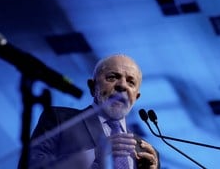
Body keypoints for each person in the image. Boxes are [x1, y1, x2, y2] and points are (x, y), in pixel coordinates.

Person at [19, 54, 159, 169]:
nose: (122, 85)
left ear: (136, 97)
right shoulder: (60, 120)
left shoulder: (145, 151)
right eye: (112, 77)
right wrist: (95, 154)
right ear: (93, 87)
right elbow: (31, 166)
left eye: (131, 82)